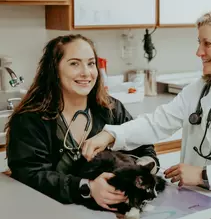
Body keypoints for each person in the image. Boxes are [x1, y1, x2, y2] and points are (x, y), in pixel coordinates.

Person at [80, 8, 211, 204]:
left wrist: (202, 175)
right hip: (196, 200)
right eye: (199, 42)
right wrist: (113, 134)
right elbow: (157, 122)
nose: (199, 52)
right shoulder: (200, 89)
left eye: (207, 44)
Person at [5, 34, 159, 213]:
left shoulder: (111, 108)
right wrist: (87, 188)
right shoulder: (30, 120)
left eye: (91, 63)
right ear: (54, 69)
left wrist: (142, 172)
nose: (86, 72)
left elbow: (144, 147)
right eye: (74, 63)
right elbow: (30, 175)